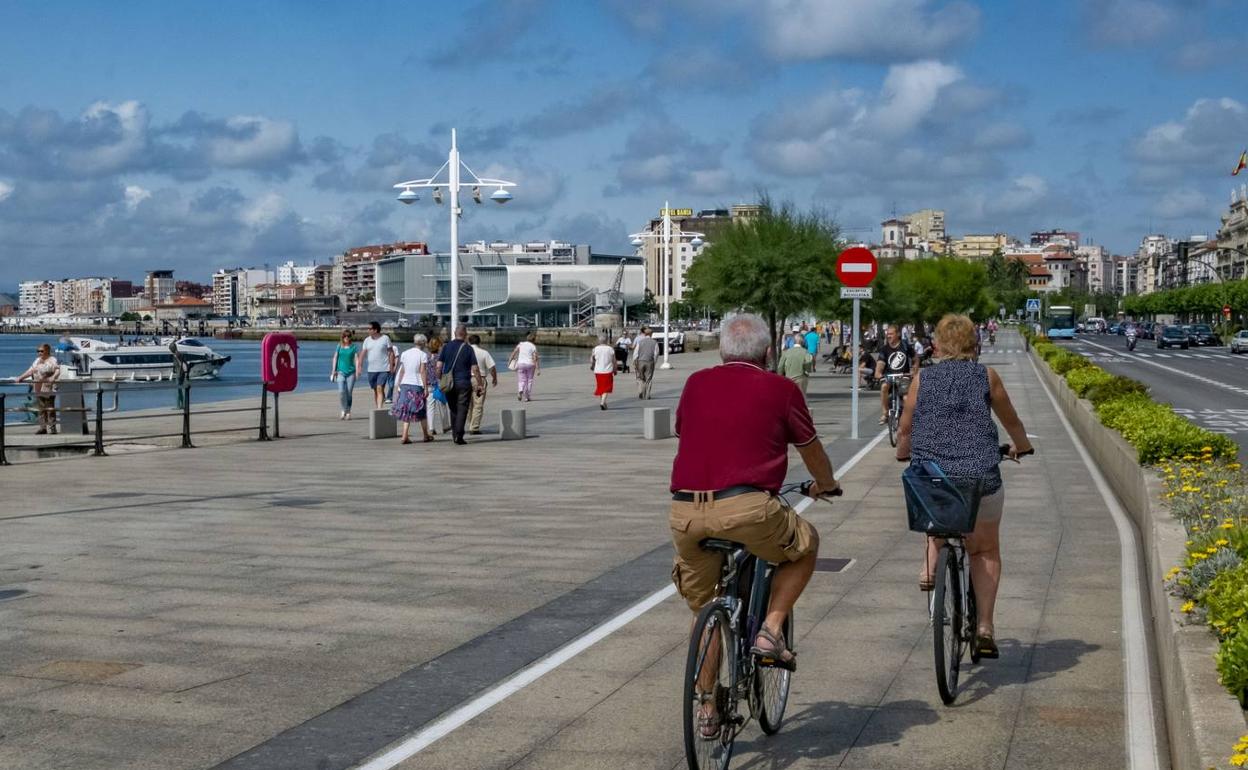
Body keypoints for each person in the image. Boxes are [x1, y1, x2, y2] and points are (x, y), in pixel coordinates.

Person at [669, 313, 841, 736]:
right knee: (805, 545)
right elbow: (810, 448)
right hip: (748, 508)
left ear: (723, 350)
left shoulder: (695, 384)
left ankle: (707, 710)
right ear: (769, 353)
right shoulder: (781, 389)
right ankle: (770, 629)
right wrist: (826, 484)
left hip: (685, 512)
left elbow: (683, 431)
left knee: (704, 607)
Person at [895, 314, 1033, 660]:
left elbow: (907, 425)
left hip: (933, 479)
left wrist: (902, 452)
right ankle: (984, 627)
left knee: (935, 503)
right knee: (984, 550)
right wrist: (1022, 445)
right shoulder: (986, 376)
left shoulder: (922, 378)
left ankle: (930, 565)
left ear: (937, 345)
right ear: (975, 343)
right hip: (980, 478)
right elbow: (1011, 419)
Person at [436, 324, 481, 445]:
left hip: (449, 384)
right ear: (465, 334)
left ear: (455, 333)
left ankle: (454, 434)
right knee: (462, 409)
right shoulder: (468, 348)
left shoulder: (446, 347)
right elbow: (475, 369)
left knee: (453, 409)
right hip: (463, 383)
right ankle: (459, 436)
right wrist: (480, 383)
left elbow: (439, 366)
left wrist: (439, 379)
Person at [390, 334, 432, 444]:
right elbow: (422, 371)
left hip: (404, 384)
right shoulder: (423, 355)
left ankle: (404, 435)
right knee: (421, 410)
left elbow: (402, 370)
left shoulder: (405, 353)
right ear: (423, 343)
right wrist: (426, 387)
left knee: (406, 410)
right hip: (416, 384)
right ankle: (425, 435)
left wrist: (399, 384)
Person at [874, 325, 915, 423]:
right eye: (887, 334)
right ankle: (885, 414)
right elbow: (880, 364)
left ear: (898, 334)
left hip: (903, 376)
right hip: (889, 376)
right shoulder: (885, 349)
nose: (888, 336)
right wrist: (878, 373)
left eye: (891, 334)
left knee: (906, 398)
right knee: (884, 387)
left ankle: (909, 419)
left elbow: (915, 358)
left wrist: (914, 370)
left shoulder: (905, 346)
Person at [16, 343, 60, 435]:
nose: (39, 353)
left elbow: (57, 370)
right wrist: (21, 377)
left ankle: (52, 428)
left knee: (50, 408)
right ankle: (43, 428)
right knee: (41, 408)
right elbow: (30, 371)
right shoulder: (37, 360)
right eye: (38, 351)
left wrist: (53, 377)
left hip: (49, 387)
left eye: (41, 351)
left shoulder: (52, 360)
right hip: (38, 386)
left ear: (47, 351)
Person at [359, 321, 395, 409]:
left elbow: (391, 353)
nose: (368, 330)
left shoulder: (385, 338)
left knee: (379, 388)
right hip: (371, 369)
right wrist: (359, 365)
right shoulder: (367, 340)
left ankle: (379, 408)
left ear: (375, 330)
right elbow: (363, 353)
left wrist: (391, 366)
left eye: (370, 329)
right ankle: (378, 406)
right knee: (375, 390)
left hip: (383, 368)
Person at [468, 334, 498, 435]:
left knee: (468, 404)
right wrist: (494, 378)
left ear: (469, 341)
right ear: (479, 342)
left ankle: (470, 423)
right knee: (478, 404)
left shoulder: (465, 351)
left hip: (465, 379)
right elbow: (492, 367)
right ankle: (474, 427)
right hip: (479, 379)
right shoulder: (484, 353)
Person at [330, 330, 359, 420]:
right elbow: (335, 358)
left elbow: (357, 359)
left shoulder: (354, 347)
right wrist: (333, 370)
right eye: (345, 336)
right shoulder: (339, 346)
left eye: (348, 336)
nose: (346, 338)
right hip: (340, 372)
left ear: (350, 337)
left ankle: (348, 411)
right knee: (341, 392)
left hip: (351, 372)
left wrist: (358, 371)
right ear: (342, 337)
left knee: (349, 392)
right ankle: (343, 410)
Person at [426, 337, 451, 435]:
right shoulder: (441, 357)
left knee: (430, 406)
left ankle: (431, 428)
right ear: (439, 346)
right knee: (442, 405)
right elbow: (443, 369)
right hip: (439, 384)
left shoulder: (426, 357)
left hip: (429, 384)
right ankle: (445, 426)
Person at [508, 332, 540, 402]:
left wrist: (509, 361)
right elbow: (535, 358)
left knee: (521, 380)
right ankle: (527, 397)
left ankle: (520, 390)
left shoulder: (521, 344)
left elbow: (514, 352)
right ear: (534, 340)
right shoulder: (533, 346)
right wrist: (538, 369)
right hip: (530, 364)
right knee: (529, 380)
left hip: (521, 364)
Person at [591, 334, 616, 410]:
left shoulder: (595, 349)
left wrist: (592, 366)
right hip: (607, 370)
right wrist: (615, 369)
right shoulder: (610, 349)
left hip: (598, 371)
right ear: (607, 340)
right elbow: (614, 360)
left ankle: (604, 403)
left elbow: (592, 360)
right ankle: (602, 402)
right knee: (607, 387)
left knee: (601, 387)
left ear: (599, 341)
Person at [633, 326, 658, 399]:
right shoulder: (654, 342)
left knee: (640, 378)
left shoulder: (640, 342)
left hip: (640, 361)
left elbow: (636, 353)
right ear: (651, 334)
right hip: (649, 361)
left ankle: (641, 391)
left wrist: (635, 361)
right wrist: (654, 362)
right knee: (648, 379)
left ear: (645, 334)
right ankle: (647, 394)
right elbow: (656, 353)